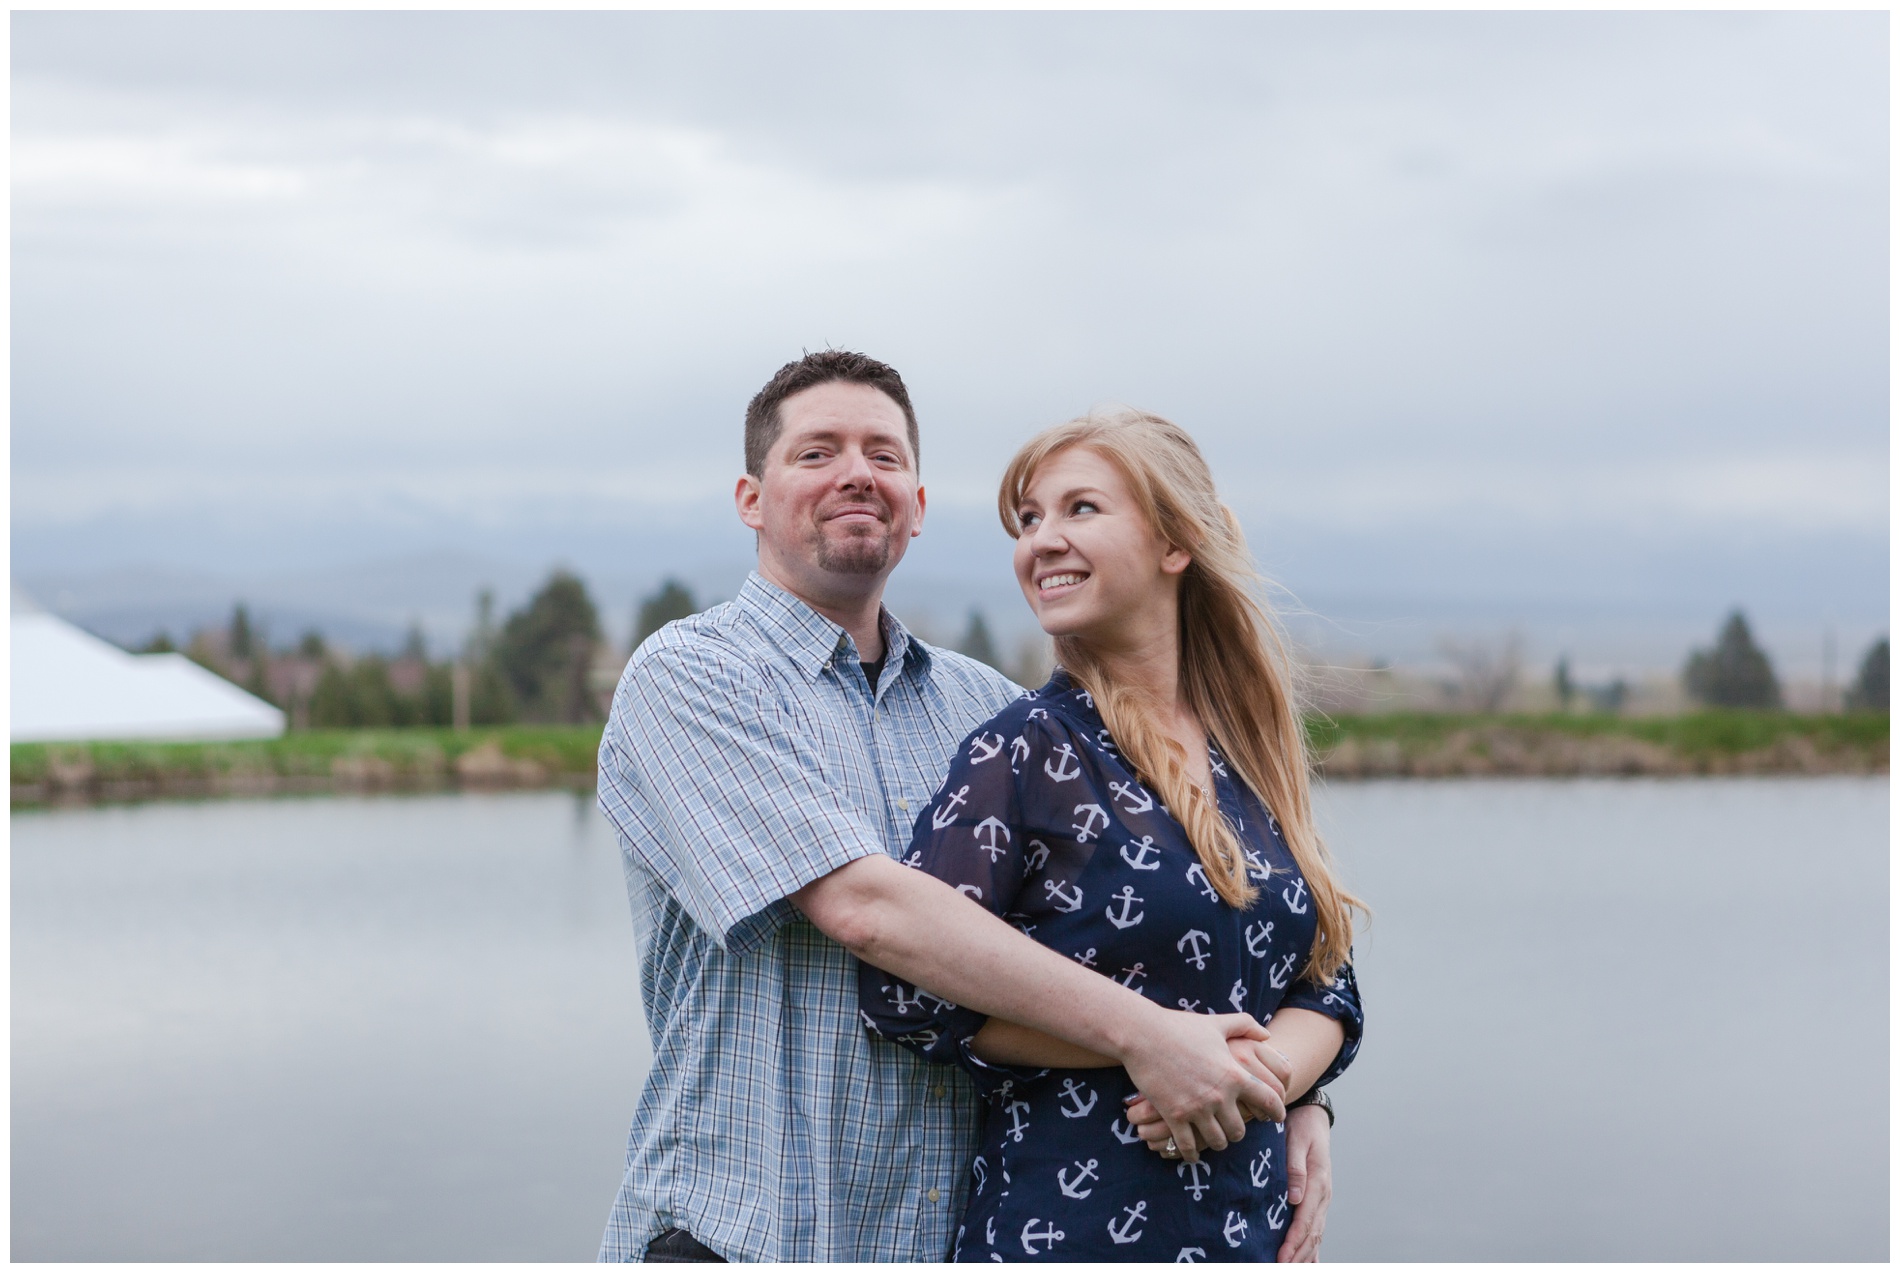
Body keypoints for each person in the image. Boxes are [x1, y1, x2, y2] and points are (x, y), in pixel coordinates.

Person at [595, 352, 1338, 1263]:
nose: (856, 473)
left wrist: (1290, 1091)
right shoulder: (694, 678)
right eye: (817, 453)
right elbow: (866, 908)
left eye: (883, 454)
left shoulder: (983, 706)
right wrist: (1156, 1040)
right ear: (752, 498)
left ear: (915, 504)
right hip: (746, 1235)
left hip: (936, 1238)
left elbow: (1197, 922)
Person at [858, 410, 1365, 1261]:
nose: (1042, 541)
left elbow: (1328, 989)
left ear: (1176, 543)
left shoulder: (1250, 750)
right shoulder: (1021, 752)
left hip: (1249, 1234)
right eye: (1028, 519)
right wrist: (1147, 1047)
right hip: (1071, 1225)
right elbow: (905, 996)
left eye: (1080, 509)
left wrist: (1248, 1083)